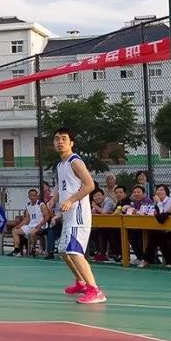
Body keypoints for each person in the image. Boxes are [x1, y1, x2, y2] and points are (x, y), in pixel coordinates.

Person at [54, 128, 107, 304]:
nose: (59, 142)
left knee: (74, 251)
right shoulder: (60, 164)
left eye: (63, 139)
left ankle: (95, 290)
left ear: (71, 143)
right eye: (56, 139)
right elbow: (62, 186)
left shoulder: (74, 161)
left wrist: (70, 200)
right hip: (67, 216)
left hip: (78, 214)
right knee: (63, 251)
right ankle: (81, 282)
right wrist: (52, 199)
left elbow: (89, 185)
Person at [12, 188, 49, 257]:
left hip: (41, 225)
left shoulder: (41, 205)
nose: (32, 197)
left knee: (33, 232)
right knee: (15, 230)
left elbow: (47, 217)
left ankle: (33, 248)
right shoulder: (28, 205)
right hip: (31, 225)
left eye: (34, 195)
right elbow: (27, 218)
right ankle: (17, 250)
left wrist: (39, 225)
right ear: (28, 196)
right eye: (31, 195)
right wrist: (19, 225)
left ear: (37, 196)